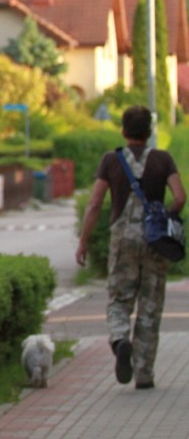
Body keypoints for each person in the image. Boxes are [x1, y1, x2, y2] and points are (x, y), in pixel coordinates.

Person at [76, 105, 185, 390]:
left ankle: (121, 339)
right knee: (150, 306)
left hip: (123, 238)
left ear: (124, 131)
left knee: (119, 299)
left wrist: (83, 241)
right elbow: (180, 196)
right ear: (149, 132)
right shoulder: (163, 159)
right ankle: (144, 374)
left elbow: (96, 202)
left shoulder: (111, 160)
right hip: (155, 241)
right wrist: (166, 216)